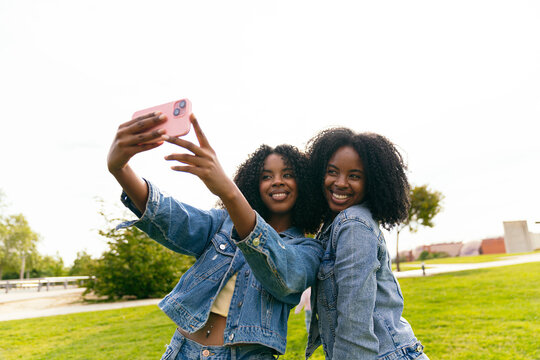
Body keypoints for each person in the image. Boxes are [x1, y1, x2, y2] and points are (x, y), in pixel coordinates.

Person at [107, 111, 323, 359]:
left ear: (304, 184)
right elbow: (173, 217)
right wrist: (120, 169)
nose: (277, 181)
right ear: (253, 183)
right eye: (266, 176)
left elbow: (285, 277)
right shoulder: (222, 223)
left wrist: (229, 193)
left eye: (287, 175)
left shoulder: (309, 250)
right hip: (182, 351)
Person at [304, 128, 429, 360]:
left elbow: (355, 324)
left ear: (372, 182)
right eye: (332, 172)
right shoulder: (335, 225)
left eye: (354, 176)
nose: (340, 183)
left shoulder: (353, 224)